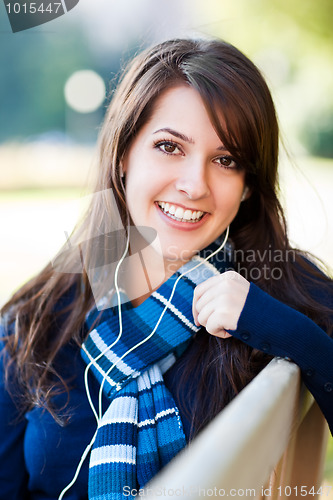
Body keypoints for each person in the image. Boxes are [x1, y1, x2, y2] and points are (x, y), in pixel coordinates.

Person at [0, 38, 332, 500]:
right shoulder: (36, 319)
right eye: (169, 147)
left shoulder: (281, 289)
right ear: (123, 156)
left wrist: (271, 324)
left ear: (249, 185)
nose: (194, 184)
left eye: (225, 159)